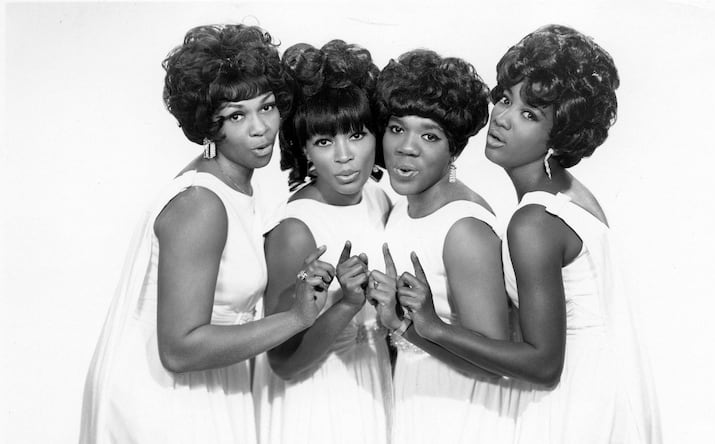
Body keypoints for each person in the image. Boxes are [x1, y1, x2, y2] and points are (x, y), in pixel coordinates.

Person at [397, 25, 661, 443]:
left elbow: (543, 366)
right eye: (505, 98)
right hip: (613, 389)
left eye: (529, 114)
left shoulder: (532, 220)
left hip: (575, 405)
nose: (501, 118)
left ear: (560, 135)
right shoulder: (571, 195)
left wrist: (432, 326)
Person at [79, 24, 335, 444]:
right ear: (207, 126)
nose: (260, 128)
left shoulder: (233, 188)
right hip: (165, 403)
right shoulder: (203, 202)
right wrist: (295, 318)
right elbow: (179, 349)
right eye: (237, 116)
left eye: (267, 107)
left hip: (205, 389)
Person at [367, 49, 518, 444]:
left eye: (429, 135)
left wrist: (402, 326)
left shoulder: (463, 227)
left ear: (454, 150)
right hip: (415, 396)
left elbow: (492, 365)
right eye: (397, 129)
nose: (406, 147)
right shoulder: (401, 210)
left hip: (462, 411)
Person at [253, 40, 393, 444]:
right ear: (306, 152)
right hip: (316, 401)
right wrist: (346, 304)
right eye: (325, 141)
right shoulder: (295, 228)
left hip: (371, 381)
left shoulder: (376, 198)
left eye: (356, 134)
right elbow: (284, 362)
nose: (346, 156)